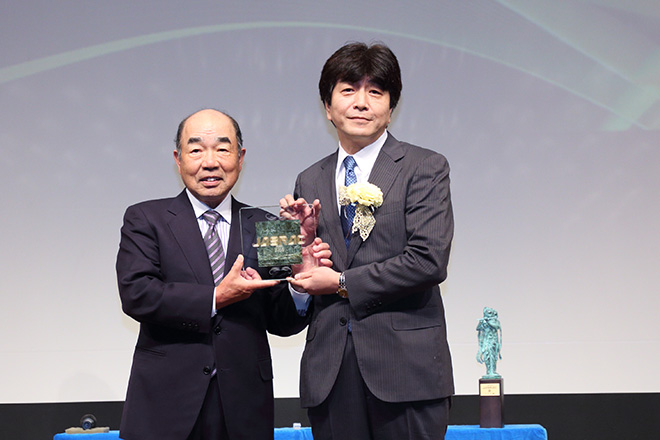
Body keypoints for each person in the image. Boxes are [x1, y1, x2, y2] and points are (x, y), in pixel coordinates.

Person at [116, 109, 329, 440]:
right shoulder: (146, 218)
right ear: (178, 159)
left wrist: (301, 278)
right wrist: (216, 298)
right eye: (196, 149)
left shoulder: (269, 225)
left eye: (222, 149)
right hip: (165, 404)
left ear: (240, 158)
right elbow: (138, 294)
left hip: (243, 406)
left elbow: (283, 321)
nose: (210, 162)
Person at [281, 42, 455, 440]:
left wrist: (341, 283)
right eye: (348, 90)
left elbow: (428, 260)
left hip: (405, 372)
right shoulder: (309, 178)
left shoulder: (424, 167)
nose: (362, 102)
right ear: (328, 107)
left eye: (375, 91)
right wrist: (301, 264)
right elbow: (305, 274)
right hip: (330, 373)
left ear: (391, 108)